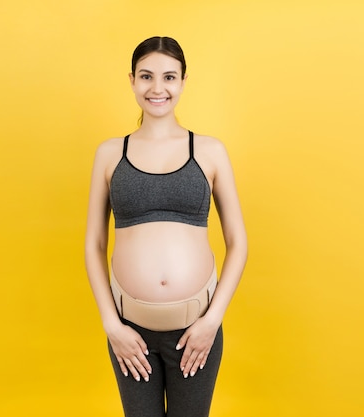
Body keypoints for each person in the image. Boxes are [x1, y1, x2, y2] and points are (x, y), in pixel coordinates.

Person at [85, 36, 247, 417]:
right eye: (146, 76)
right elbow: (93, 243)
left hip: (196, 332)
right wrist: (112, 325)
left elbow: (238, 242)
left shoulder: (210, 151)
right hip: (130, 333)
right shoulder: (110, 153)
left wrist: (212, 321)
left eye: (169, 77)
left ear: (183, 81)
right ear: (132, 80)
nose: (157, 88)